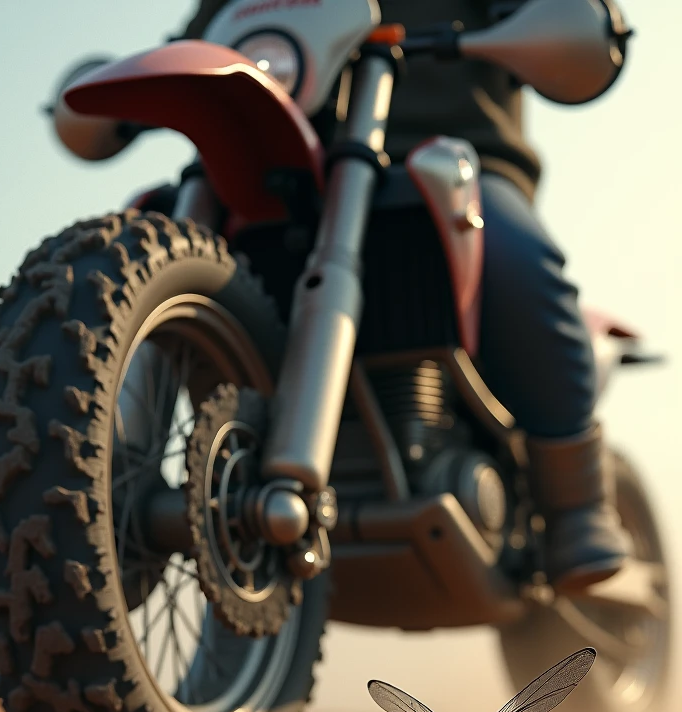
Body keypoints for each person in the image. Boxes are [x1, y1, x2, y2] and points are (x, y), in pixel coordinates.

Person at [54, 0, 631, 591]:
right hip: (277, 165)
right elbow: (209, 35)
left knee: (515, 254)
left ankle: (576, 508)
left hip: (449, 155)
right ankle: (86, 498)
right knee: (151, 222)